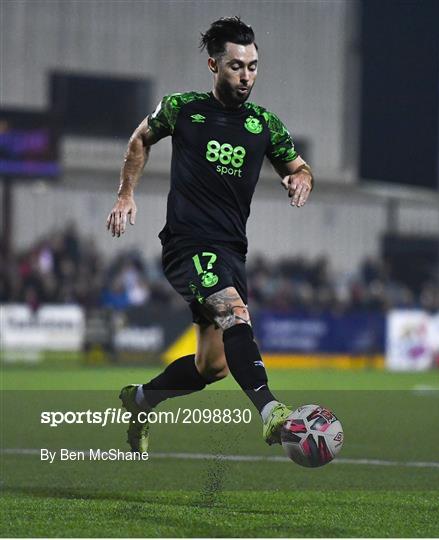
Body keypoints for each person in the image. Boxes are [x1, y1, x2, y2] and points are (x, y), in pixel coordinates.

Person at [106, 17, 314, 452]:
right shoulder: (183, 108)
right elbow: (141, 139)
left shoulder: (264, 125)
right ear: (213, 65)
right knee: (235, 313)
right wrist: (126, 194)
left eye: (253, 66)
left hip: (231, 250)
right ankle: (270, 409)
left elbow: (297, 165)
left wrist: (301, 178)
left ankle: (141, 400)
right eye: (237, 66)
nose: (246, 76)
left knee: (212, 367)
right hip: (187, 245)